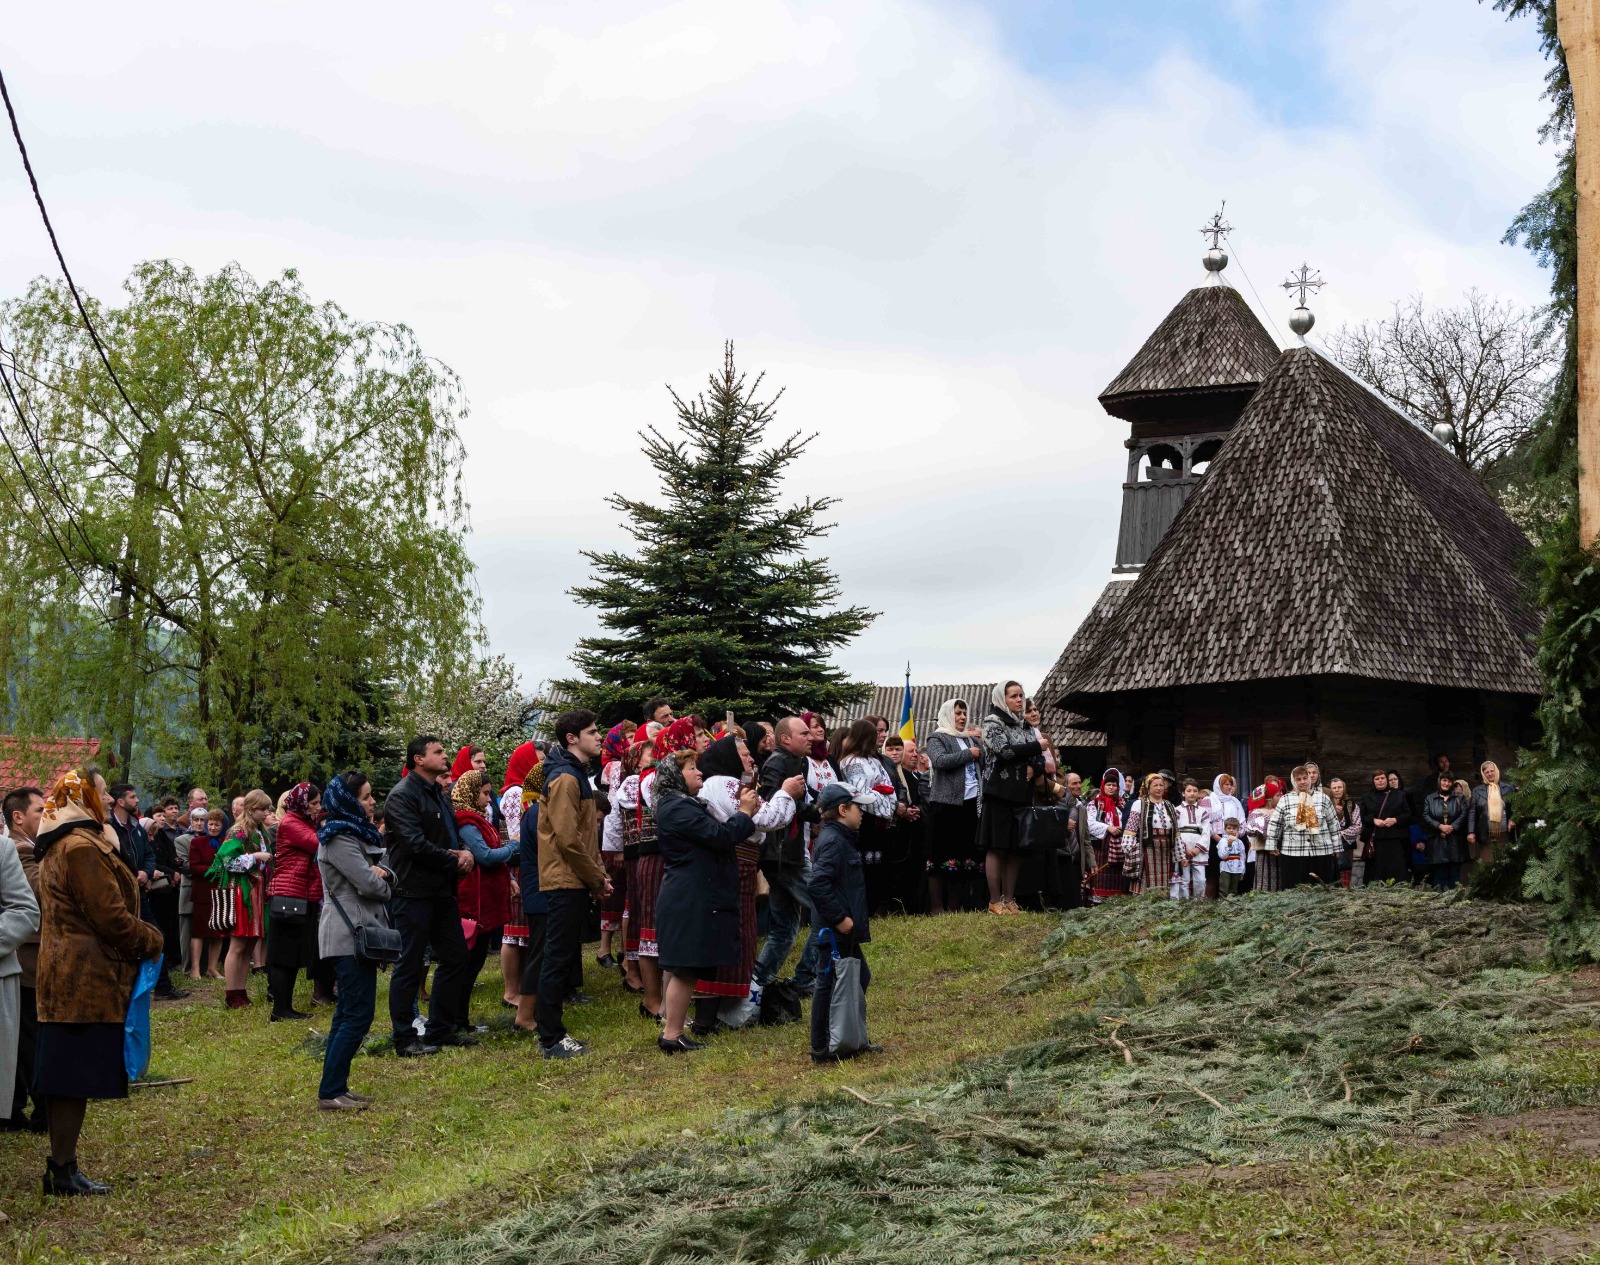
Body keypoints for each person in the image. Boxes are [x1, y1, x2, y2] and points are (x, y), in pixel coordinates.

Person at [33, 769, 164, 1195]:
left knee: (66, 1076)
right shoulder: (79, 848)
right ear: (83, 797)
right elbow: (109, 917)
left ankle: (63, 1167)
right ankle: (62, 1170)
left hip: (68, 976)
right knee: (71, 1077)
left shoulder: (68, 842)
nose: (108, 799)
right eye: (103, 792)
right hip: (82, 980)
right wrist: (152, 938)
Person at [652, 749, 759, 1053]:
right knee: (686, 967)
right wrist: (745, 813)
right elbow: (720, 835)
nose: (699, 773)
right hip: (689, 896)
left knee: (687, 967)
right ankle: (672, 1035)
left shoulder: (683, 805)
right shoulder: (677, 808)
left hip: (692, 893)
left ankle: (673, 1032)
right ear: (675, 776)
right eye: (691, 769)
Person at [693, 735, 798, 1031]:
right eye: (743, 755)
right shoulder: (724, 783)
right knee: (731, 932)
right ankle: (712, 1015)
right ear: (727, 758)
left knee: (740, 932)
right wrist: (785, 792)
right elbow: (767, 818)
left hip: (741, 862)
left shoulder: (726, 783)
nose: (751, 759)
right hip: (734, 862)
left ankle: (724, 1010)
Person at [385, 735, 477, 1057]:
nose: (444, 756)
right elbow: (414, 843)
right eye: (437, 752)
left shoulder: (438, 793)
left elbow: (450, 836)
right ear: (418, 759)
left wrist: (465, 852)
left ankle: (440, 1029)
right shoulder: (402, 796)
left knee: (455, 957)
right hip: (412, 892)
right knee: (409, 964)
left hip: (440, 891)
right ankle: (404, 1038)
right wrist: (454, 858)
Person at [535, 710, 611, 1059]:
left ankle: (552, 1032)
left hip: (574, 879)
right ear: (571, 738)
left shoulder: (576, 775)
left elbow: (585, 835)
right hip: (564, 880)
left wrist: (598, 877)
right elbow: (567, 839)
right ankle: (551, 1037)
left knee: (561, 957)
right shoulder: (565, 777)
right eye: (592, 732)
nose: (599, 737)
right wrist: (595, 876)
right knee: (557, 958)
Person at [315, 771, 392, 1111]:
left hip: (356, 931)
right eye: (365, 796)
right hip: (347, 935)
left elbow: (383, 871)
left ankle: (336, 1088)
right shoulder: (339, 838)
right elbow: (369, 884)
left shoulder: (352, 834)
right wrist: (383, 880)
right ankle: (331, 1091)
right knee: (357, 1015)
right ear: (348, 801)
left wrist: (385, 873)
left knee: (347, 1013)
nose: (372, 801)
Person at [754, 716, 824, 996]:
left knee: (784, 926)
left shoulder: (798, 762)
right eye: (804, 733)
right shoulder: (776, 764)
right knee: (826, 908)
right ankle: (806, 977)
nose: (812, 737)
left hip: (789, 852)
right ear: (786, 739)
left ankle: (757, 981)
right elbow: (773, 806)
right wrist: (818, 811)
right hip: (782, 855)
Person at [808, 782, 878, 1063]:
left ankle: (851, 1037)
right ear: (842, 809)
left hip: (842, 932)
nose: (862, 812)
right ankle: (822, 1047)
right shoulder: (835, 842)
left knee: (860, 978)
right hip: (832, 931)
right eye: (858, 807)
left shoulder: (841, 838)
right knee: (827, 983)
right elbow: (817, 885)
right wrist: (839, 919)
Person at [451, 769, 518, 1027]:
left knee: (476, 961)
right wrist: (513, 846)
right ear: (470, 793)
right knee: (468, 963)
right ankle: (457, 1020)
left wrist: (508, 878)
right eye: (485, 793)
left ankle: (461, 1019)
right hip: (473, 901)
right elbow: (485, 855)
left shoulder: (478, 820)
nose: (489, 800)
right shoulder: (467, 822)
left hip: (485, 899)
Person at [267, 782, 332, 1021]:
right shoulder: (291, 823)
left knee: (292, 954)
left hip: (300, 894)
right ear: (302, 803)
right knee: (283, 955)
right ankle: (280, 1009)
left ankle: (286, 1007)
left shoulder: (302, 821)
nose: (318, 807)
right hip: (289, 894)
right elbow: (318, 843)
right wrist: (327, 823)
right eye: (314, 803)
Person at [978, 682, 1042, 914]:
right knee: (997, 846)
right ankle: (995, 901)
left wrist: (1035, 768)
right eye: (1014, 696)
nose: (1019, 700)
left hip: (1021, 794)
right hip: (999, 793)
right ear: (1002, 699)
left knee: (1015, 847)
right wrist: (1036, 746)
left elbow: (1040, 758)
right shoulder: (992, 722)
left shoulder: (1024, 724)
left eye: (1021, 696)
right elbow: (1004, 751)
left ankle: (1010, 900)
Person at [2, 786, 44, 1133]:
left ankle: (15, 1107)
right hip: (28, 955)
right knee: (27, 1037)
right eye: (40, 811)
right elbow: (42, 893)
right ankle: (27, 1107)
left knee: (23, 1035)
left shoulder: (21, 847)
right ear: (18, 817)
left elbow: (27, 907)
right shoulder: (19, 848)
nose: (45, 817)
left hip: (25, 954)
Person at [208, 791, 273, 1008]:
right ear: (251, 809)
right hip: (241, 891)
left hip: (256, 891)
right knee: (237, 944)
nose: (267, 813)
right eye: (263, 809)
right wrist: (254, 857)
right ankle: (231, 993)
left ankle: (241, 991)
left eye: (268, 809)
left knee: (249, 945)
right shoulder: (237, 831)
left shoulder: (260, 832)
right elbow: (225, 860)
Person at [498, 741, 543, 1005]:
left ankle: (524, 988)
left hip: (525, 860)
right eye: (536, 760)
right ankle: (511, 991)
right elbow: (518, 831)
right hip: (518, 861)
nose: (541, 765)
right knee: (514, 932)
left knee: (524, 931)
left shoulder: (526, 790)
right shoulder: (516, 792)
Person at [1265, 765, 1343, 888]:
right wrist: (1271, 844)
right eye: (1298, 779)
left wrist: (1337, 847)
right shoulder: (1285, 799)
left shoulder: (1323, 798)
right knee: (1294, 888)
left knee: (1321, 888)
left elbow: (1333, 823)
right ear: (1293, 781)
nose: (1302, 782)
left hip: (1321, 851)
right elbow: (1275, 823)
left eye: (1305, 778)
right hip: (1293, 853)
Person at [189, 809, 228, 979]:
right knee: (199, 932)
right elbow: (194, 867)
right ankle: (195, 969)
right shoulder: (198, 842)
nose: (212, 828)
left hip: (221, 891)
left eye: (216, 824)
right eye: (210, 824)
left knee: (218, 932)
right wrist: (214, 869)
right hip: (203, 892)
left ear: (223, 826)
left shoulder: (227, 843)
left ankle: (212, 968)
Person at [1124, 773, 1176, 897]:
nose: (1159, 788)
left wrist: (1178, 852)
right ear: (1148, 787)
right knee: (1146, 881)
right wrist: (1129, 848)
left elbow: (1176, 831)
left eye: (1161, 785)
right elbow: (1131, 827)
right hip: (1147, 848)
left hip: (1165, 850)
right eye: (1155, 785)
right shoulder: (1139, 804)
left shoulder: (1169, 805)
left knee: (1163, 882)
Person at [1358, 769, 1413, 885]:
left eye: (1382, 778)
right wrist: (1374, 820)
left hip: (1395, 839)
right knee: (1376, 873)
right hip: (1376, 840)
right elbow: (1362, 816)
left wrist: (1395, 820)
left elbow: (1408, 815)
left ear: (1386, 780)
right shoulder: (1367, 797)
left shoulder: (1399, 795)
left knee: (1397, 871)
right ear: (1373, 781)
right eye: (1377, 779)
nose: (1380, 781)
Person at [1085, 769, 1130, 901]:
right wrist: (1108, 827)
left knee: (1118, 877)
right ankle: (1098, 901)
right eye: (1108, 785)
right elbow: (1090, 823)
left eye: (1114, 785)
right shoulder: (1095, 803)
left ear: (1117, 787)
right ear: (1103, 786)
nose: (1111, 787)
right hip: (1102, 846)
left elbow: (1128, 820)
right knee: (1101, 875)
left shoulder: (1123, 804)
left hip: (1121, 845)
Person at [1467, 761, 1516, 877]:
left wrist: (1514, 819)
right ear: (1483, 774)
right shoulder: (1477, 791)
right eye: (1486, 772)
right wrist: (1470, 832)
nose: (1489, 774)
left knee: (1505, 867)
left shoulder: (1508, 788)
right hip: (1486, 836)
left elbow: (1516, 808)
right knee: (1487, 868)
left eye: (1491, 771)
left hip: (1505, 836)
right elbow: (1472, 813)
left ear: (1496, 771)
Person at [1202, 775, 1246, 899]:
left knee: (1229, 872)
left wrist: (1236, 836)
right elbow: (1205, 822)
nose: (1229, 787)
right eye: (1225, 784)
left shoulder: (1234, 801)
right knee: (1213, 873)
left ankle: (1229, 901)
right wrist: (1219, 839)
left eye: (1230, 784)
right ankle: (1210, 902)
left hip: (1232, 839)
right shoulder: (1209, 800)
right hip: (1214, 839)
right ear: (1219, 786)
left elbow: (1242, 823)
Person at [1422, 772, 1467, 891]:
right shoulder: (1430, 798)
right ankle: (1439, 904)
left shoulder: (1459, 797)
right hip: (1437, 841)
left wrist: (1451, 827)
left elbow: (1463, 814)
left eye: (1449, 781)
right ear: (1439, 781)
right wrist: (1439, 826)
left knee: (1454, 877)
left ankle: (1455, 904)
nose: (1446, 783)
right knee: (1438, 876)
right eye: (1444, 780)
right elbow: (1426, 816)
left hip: (1455, 842)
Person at [1170, 779, 1210, 900]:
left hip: (1198, 850)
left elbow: (1206, 831)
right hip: (1183, 849)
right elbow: (1175, 830)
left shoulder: (1203, 812)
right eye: (1189, 791)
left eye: (1195, 791)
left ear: (1198, 793)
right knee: (1184, 878)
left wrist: (1198, 848)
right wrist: (1184, 848)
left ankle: (1198, 902)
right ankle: (1184, 902)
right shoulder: (1177, 810)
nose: (1192, 793)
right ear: (1183, 793)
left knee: (1201, 879)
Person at [1245, 776, 1286, 892]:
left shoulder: (1280, 811)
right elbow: (1253, 830)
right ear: (1269, 799)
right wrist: (1270, 816)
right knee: (1265, 882)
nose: (1281, 797)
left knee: (1279, 883)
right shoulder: (1257, 812)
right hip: (1264, 854)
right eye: (1278, 795)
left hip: (1280, 853)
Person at [1327, 778, 1363, 887]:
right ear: (1330, 790)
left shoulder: (1352, 805)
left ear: (1344, 788)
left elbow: (1357, 826)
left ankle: (1344, 896)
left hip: (1345, 844)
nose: (1337, 790)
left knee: (1344, 868)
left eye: (1339, 787)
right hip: (1327, 844)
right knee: (1329, 871)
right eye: (1334, 788)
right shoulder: (1325, 805)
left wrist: (1340, 834)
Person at [1217, 819, 1247, 895]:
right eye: (1229, 828)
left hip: (1237, 869)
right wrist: (1229, 845)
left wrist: (1242, 871)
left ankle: (1232, 905)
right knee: (1224, 889)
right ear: (1225, 829)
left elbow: (1242, 857)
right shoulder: (1223, 841)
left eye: (1234, 828)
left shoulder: (1239, 842)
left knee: (1233, 890)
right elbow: (1222, 856)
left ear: (1238, 830)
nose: (1231, 830)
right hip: (1225, 868)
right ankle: (1223, 904)